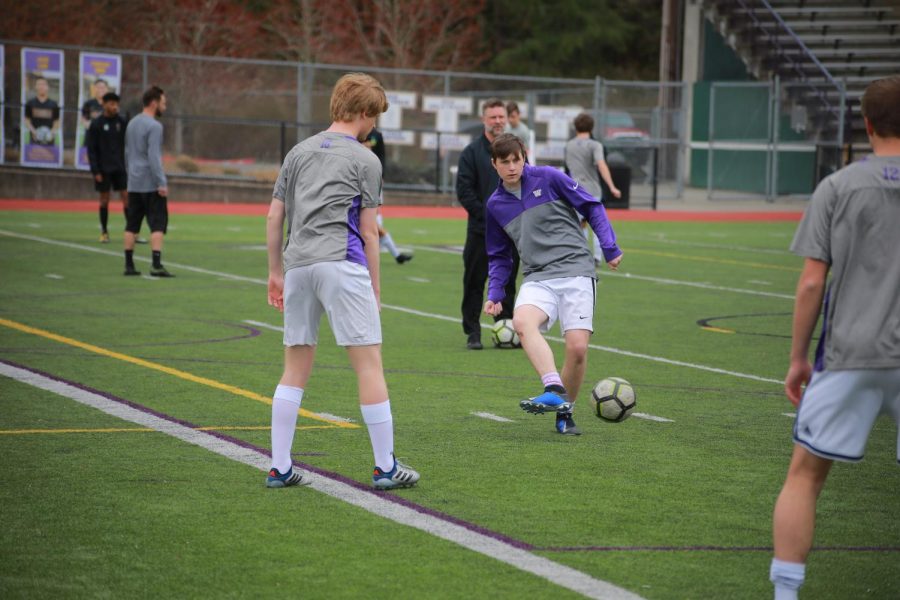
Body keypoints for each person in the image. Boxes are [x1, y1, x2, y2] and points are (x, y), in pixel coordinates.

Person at [769, 76, 900, 600]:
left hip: (849, 353)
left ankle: (786, 594)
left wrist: (798, 357)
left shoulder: (838, 186)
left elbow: (810, 281)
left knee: (804, 476)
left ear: (865, 125)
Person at [265, 72, 420, 490]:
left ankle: (280, 466)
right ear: (365, 113)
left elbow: (274, 216)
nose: (375, 127)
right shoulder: (366, 159)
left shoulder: (298, 152)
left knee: (294, 369)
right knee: (369, 364)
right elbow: (370, 233)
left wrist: (275, 272)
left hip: (297, 264)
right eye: (376, 118)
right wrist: (376, 286)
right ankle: (385, 466)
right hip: (342, 263)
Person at [483, 133, 623, 436]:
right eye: (504, 162)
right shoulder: (495, 205)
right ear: (494, 164)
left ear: (524, 157)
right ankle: (553, 387)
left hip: (576, 270)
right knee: (522, 321)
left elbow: (592, 207)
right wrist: (495, 292)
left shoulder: (549, 177)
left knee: (577, 349)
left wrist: (609, 247)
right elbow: (499, 255)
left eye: (516, 160)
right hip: (537, 276)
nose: (511, 167)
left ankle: (564, 412)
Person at [457, 98, 520, 350]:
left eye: (501, 117)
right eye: (492, 117)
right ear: (484, 119)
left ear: (507, 118)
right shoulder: (471, 152)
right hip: (480, 231)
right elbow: (464, 190)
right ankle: (473, 332)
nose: (497, 121)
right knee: (474, 281)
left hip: (510, 232)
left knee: (508, 281)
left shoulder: (516, 153)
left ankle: (505, 326)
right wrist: (488, 216)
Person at [123, 86, 172, 277]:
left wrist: (130, 175)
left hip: (134, 181)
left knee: (132, 224)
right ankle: (156, 264)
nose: (164, 107)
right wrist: (161, 182)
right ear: (154, 103)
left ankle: (129, 264)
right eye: (163, 102)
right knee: (158, 224)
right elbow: (154, 157)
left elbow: (127, 153)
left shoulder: (132, 123)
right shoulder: (154, 126)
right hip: (150, 183)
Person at [565, 114, 621, 264]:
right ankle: (597, 256)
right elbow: (601, 165)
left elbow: (568, 169)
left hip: (574, 190)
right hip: (592, 190)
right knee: (597, 224)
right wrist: (612, 186)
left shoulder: (569, 145)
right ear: (591, 128)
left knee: (579, 224)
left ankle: (582, 255)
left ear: (576, 127)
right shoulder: (595, 145)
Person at [364, 126, 412, 264]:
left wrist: (381, 175)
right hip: (360, 182)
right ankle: (396, 255)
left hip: (372, 180)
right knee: (373, 227)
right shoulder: (355, 133)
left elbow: (381, 155)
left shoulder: (376, 135)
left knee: (375, 224)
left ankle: (395, 255)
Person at [86, 92, 128, 243]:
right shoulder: (96, 124)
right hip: (103, 169)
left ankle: (131, 231)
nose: (115, 107)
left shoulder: (122, 122)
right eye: (111, 104)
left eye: (116, 104)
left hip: (120, 167)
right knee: (104, 200)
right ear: (104, 105)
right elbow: (91, 149)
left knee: (127, 197)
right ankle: (104, 232)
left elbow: (129, 144)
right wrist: (95, 170)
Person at [24, 77, 60, 146]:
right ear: (36, 87)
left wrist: (51, 133)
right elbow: (26, 120)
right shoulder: (30, 103)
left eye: (43, 84)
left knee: (49, 156)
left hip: (49, 140)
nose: (41, 87)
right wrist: (34, 132)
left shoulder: (53, 104)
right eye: (39, 84)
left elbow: (57, 121)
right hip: (34, 139)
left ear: (47, 87)